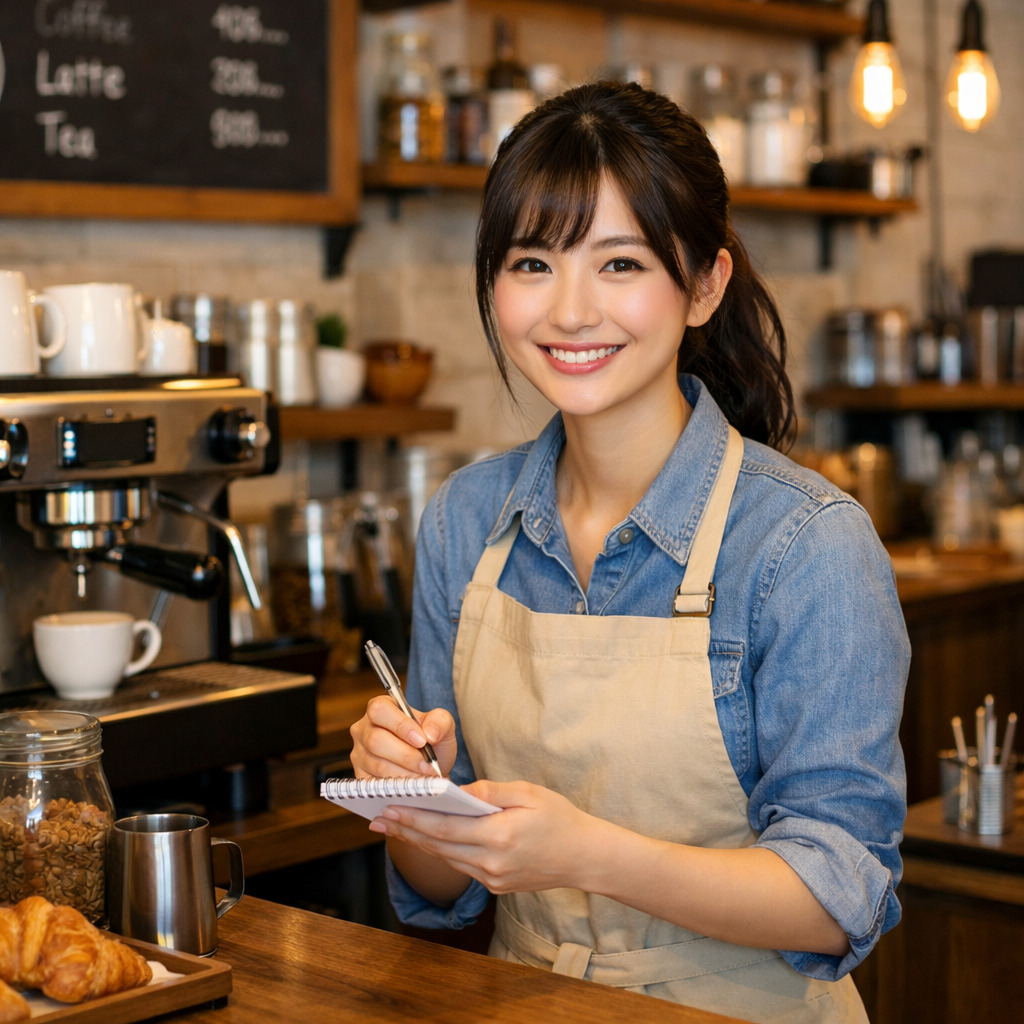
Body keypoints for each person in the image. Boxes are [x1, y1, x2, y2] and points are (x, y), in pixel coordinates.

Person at [350, 80, 909, 1024]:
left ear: (703, 285)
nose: (569, 311)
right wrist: (407, 795)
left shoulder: (805, 545)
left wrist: (586, 855)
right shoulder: (465, 519)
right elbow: (438, 887)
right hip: (518, 1000)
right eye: (532, 261)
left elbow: (837, 899)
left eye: (619, 264)